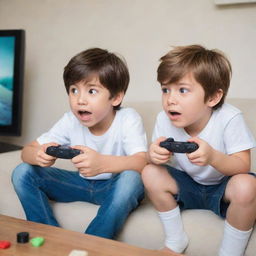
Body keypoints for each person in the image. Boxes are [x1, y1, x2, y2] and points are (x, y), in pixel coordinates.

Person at [12, 48, 147, 239]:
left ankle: (90, 244)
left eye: (92, 91)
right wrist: (38, 155)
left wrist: (102, 163)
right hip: (80, 183)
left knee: (132, 179)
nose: (80, 100)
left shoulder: (128, 118)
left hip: (112, 186)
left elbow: (142, 162)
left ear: (116, 97)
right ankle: (49, 235)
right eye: (74, 90)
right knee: (22, 172)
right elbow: (27, 151)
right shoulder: (70, 120)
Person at [141, 45, 256, 256]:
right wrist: (153, 155)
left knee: (248, 185)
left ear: (212, 98)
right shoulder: (163, 119)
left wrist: (213, 157)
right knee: (149, 171)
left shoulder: (230, 118)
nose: (170, 99)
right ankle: (175, 240)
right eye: (165, 89)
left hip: (222, 188)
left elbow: (242, 165)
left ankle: (231, 252)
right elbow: (155, 162)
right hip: (188, 185)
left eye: (182, 90)